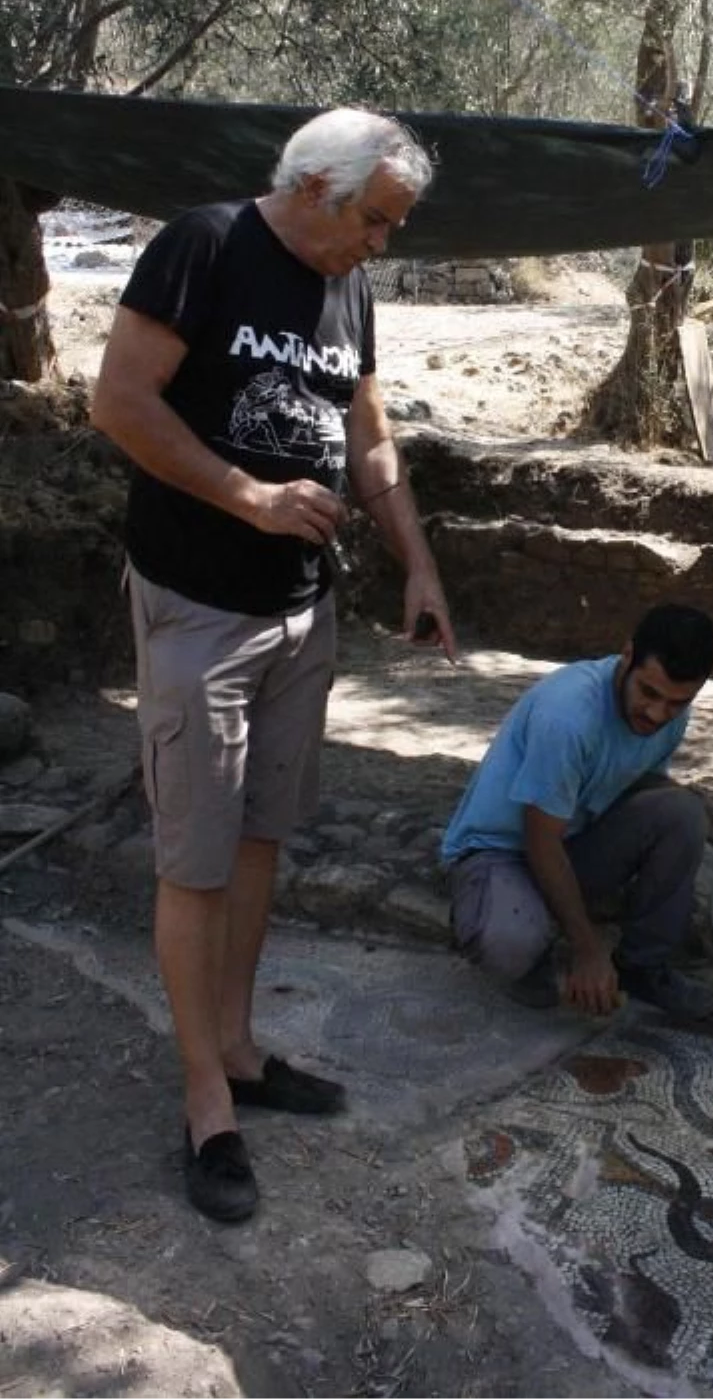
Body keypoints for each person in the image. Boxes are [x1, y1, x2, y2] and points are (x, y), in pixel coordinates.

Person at [91, 107, 457, 1225]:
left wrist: (418, 566)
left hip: (304, 613)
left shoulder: (350, 286)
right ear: (315, 188)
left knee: (259, 838)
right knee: (196, 857)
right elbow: (119, 401)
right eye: (378, 222)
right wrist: (247, 496)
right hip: (200, 605)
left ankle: (242, 1049)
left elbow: (368, 435)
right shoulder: (202, 245)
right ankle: (207, 1101)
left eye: (393, 227)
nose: (381, 244)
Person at [441, 604, 713, 1024]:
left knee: (684, 813)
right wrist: (588, 950)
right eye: (649, 694)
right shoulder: (568, 716)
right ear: (627, 655)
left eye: (676, 702)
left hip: (571, 839)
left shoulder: (671, 713)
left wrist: (700, 804)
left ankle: (642, 967)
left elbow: (637, 778)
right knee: (510, 944)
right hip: (499, 851)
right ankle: (525, 939)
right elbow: (540, 841)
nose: (657, 714)